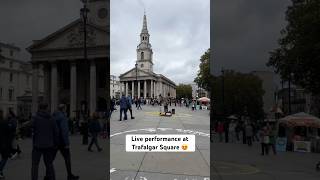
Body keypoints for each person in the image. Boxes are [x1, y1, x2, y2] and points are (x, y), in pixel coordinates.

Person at [31, 103, 59, 180]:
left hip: (37, 145)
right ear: (46, 108)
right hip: (49, 145)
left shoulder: (36, 118)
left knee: (35, 165)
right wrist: (55, 144)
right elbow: (56, 132)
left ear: (39, 108)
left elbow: (30, 127)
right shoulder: (52, 118)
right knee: (49, 164)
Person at [52, 104, 79, 180]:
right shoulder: (62, 117)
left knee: (50, 159)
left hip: (55, 140)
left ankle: (48, 175)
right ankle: (69, 175)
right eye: (65, 108)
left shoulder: (53, 116)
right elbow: (64, 131)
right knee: (67, 158)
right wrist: (66, 143)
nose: (66, 110)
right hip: (62, 141)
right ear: (63, 109)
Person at [0, 110, 11, 179]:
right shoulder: (4, 122)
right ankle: (0, 170)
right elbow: (9, 131)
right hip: (3, 143)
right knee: (5, 157)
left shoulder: (4, 122)